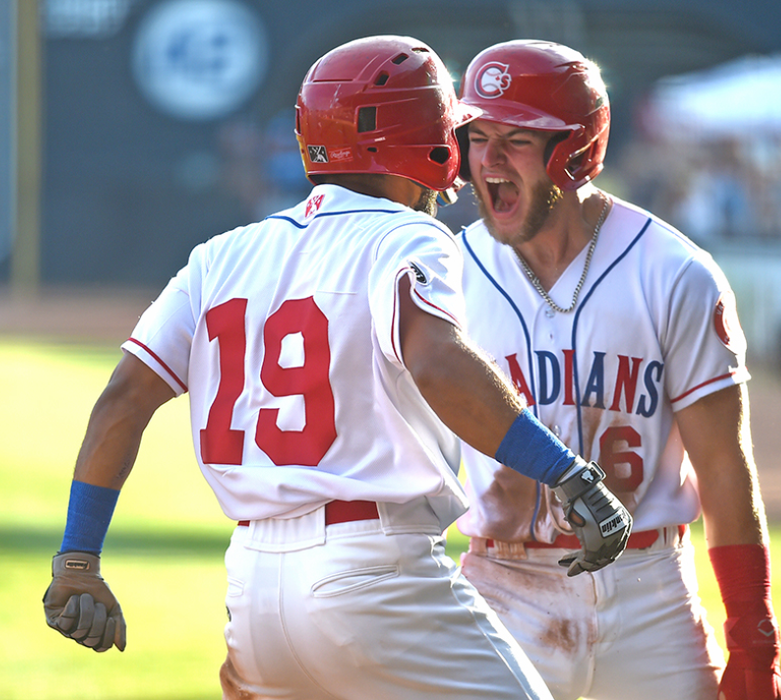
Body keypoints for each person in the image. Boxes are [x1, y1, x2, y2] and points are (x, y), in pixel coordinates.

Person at [41, 35, 633, 700]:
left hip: (253, 589)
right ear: (429, 141)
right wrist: (565, 471)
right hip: (375, 576)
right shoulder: (407, 237)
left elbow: (123, 398)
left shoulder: (220, 255)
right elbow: (437, 362)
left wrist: (78, 557)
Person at [453, 40, 781, 700]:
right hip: (501, 587)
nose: (487, 161)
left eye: (516, 139)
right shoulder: (446, 274)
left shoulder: (673, 272)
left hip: (649, 593)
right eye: (477, 136)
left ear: (576, 152)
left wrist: (754, 638)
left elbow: (722, 464)